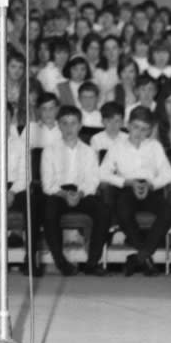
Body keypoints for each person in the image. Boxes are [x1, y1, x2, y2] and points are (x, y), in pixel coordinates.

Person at [99, 106, 171, 276]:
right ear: (128, 125)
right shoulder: (117, 146)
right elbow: (102, 172)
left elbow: (169, 174)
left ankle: (138, 258)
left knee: (169, 210)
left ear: (149, 130)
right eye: (135, 127)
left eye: (144, 129)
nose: (139, 133)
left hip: (150, 188)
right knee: (122, 210)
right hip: (127, 189)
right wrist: (126, 182)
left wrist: (152, 184)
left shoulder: (154, 146)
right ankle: (145, 258)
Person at [0, 102, 44, 276]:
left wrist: (12, 191)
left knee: (32, 203)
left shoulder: (21, 144)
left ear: (11, 118)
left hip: (16, 188)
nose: (1, 120)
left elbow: (25, 175)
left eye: (5, 116)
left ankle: (30, 258)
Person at [40, 105, 109, 276]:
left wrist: (80, 194)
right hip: (59, 194)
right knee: (49, 211)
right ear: (58, 125)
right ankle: (61, 262)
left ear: (80, 125)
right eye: (64, 123)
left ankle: (92, 263)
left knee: (103, 210)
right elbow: (47, 184)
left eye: (73, 123)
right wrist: (64, 194)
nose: (69, 128)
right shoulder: (49, 150)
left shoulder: (88, 151)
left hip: (82, 193)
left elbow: (92, 181)